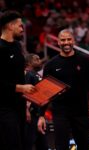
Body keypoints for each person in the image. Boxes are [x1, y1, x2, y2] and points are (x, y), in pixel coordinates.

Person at [38, 29, 89, 150]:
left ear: (73, 41)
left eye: (69, 39)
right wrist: (41, 115)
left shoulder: (85, 61)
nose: (66, 42)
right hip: (60, 113)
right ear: (58, 42)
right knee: (61, 147)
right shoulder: (50, 65)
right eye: (63, 40)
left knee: (85, 146)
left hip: (81, 112)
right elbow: (44, 92)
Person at [0, 10, 36, 150]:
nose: (22, 29)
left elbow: (18, 76)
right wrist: (20, 88)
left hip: (19, 107)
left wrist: (25, 103)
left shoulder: (17, 46)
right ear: (10, 26)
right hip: (4, 109)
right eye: (20, 26)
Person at [24, 53, 49, 150]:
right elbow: (25, 94)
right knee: (28, 144)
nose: (40, 61)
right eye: (37, 59)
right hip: (31, 116)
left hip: (38, 115)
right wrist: (26, 111)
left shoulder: (37, 74)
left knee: (43, 145)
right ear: (29, 62)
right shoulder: (28, 74)